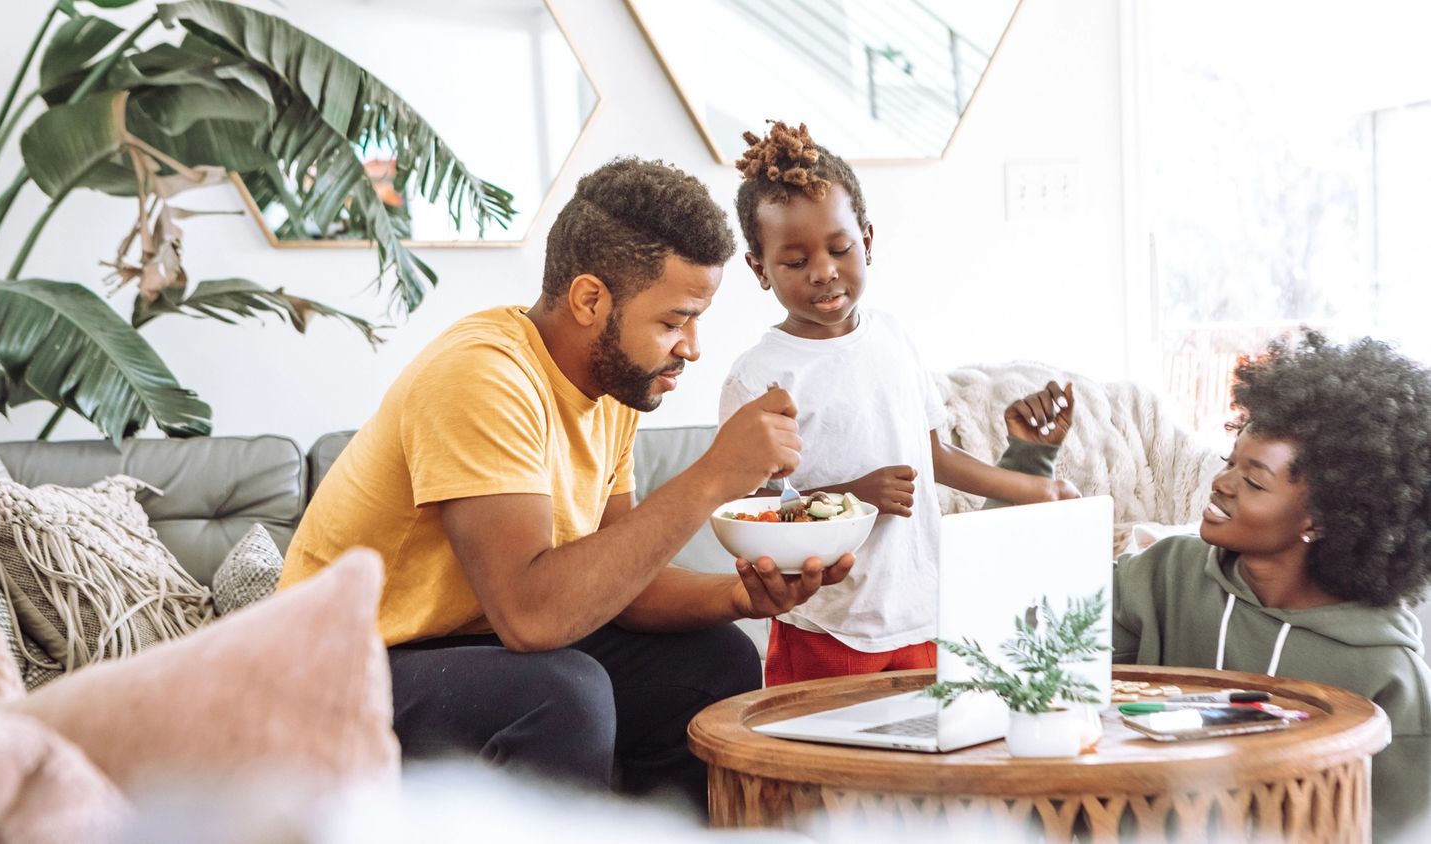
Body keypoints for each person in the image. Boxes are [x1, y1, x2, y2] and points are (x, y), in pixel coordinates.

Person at [277, 157, 855, 814]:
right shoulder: (483, 377)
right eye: (674, 320)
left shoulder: (614, 386)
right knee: (561, 690)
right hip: (334, 672)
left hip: (475, 646)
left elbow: (618, 585)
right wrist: (718, 472)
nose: (692, 347)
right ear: (590, 300)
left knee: (714, 661)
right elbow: (531, 615)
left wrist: (741, 596)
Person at [994, 332, 1431, 840]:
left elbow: (1394, 828)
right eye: (1230, 462)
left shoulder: (1385, 670)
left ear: (1324, 518)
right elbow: (1023, 635)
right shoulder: (1166, 574)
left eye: (1255, 480)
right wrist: (1026, 463)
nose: (1222, 484)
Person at [718, 121, 1079, 688]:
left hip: (924, 616)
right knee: (823, 771)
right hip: (827, 628)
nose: (823, 271)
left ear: (866, 239)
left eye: (839, 248)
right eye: (794, 261)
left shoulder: (892, 337)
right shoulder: (760, 376)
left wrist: (1037, 489)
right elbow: (750, 509)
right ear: (759, 269)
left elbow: (931, 455)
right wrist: (850, 499)